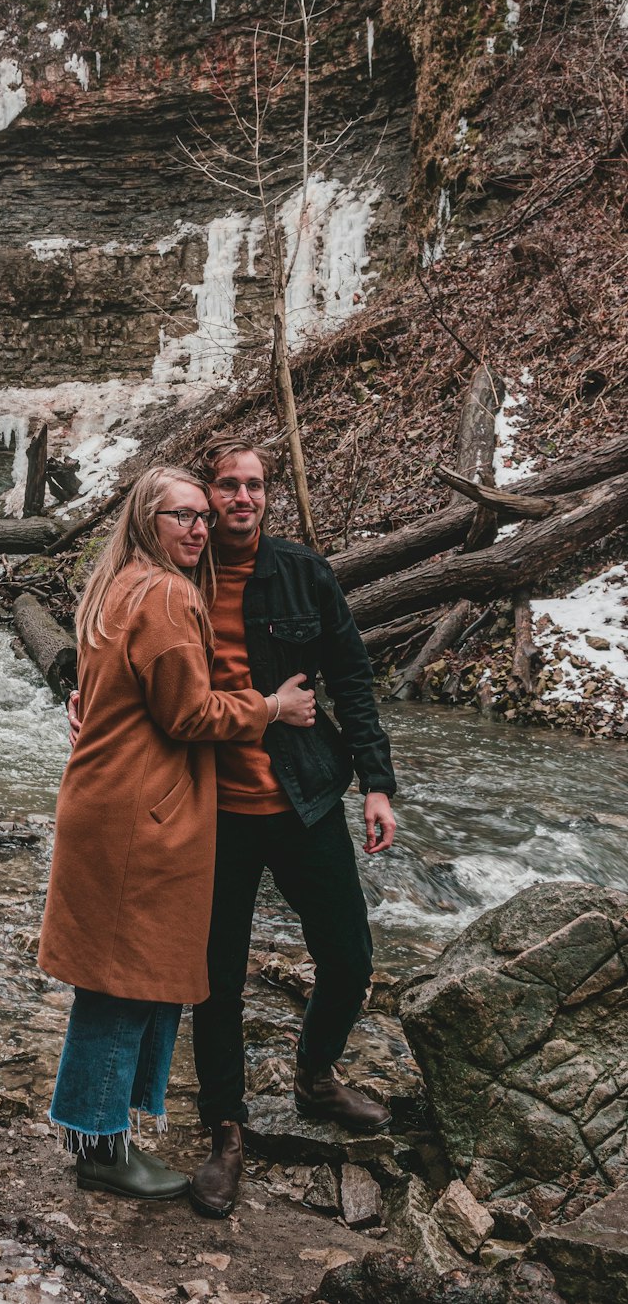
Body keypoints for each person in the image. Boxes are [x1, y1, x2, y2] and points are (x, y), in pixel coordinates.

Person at [38, 465, 313, 1202]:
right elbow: (189, 714)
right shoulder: (165, 593)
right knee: (125, 983)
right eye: (179, 516)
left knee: (126, 976)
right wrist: (270, 706)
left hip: (113, 801)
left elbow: (108, 691)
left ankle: (98, 1132)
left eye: (201, 515)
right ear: (147, 520)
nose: (197, 527)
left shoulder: (119, 581)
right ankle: (100, 1147)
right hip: (140, 816)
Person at [185, 432, 397, 1220]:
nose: (243, 497)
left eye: (255, 485)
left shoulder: (304, 573)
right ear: (206, 494)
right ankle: (226, 1129)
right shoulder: (181, 574)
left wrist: (377, 783)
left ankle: (314, 1076)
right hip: (212, 814)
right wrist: (81, 687)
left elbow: (352, 675)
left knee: (349, 953)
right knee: (217, 981)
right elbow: (126, 649)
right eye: (228, 485)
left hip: (302, 797)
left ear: (267, 493)